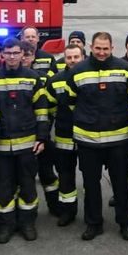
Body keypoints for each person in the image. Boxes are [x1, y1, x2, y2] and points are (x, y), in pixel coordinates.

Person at [62, 32, 128, 241]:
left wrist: (125, 122)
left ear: (112, 48)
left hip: (118, 140)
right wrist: (86, 119)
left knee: (121, 185)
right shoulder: (77, 71)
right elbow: (70, 102)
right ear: (91, 47)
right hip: (88, 141)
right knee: (91, 185)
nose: (102, 52)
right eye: (98, 48)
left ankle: (125, 223)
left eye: (106, 48)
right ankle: (93, 223)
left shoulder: (125, 69)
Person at [0, 38, 50, 243]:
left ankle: (27, 223)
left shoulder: (33, 78)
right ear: (2, 55)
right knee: (3, 187)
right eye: (8, 53)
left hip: (27, 144)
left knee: (28, 185)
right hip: (1, 146)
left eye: (16, 53)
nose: (12, 56)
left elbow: (41, 111)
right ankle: (6, 225)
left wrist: (41, 137)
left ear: (23, 54)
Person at [46, 43, 84, 227]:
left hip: (87, 137)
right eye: (69, 57)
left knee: (90, 177)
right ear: (64, 59)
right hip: (64, 136)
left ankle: (92, 213)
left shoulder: (89, 78)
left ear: (82, 57)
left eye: (76, 57)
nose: (73, 61)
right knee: (65, 176)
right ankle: (68, 211)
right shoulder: (55, 81)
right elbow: (50, 110)